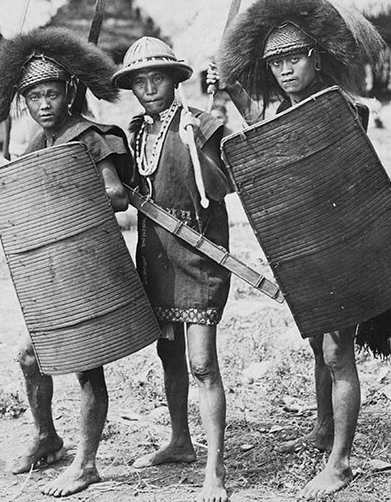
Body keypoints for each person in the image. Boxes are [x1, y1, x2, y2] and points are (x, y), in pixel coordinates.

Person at [209, 0, 391, 499]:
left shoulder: (344, 109)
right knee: (319, 343)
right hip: (306, 248)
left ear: (315, 57)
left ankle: (340, 462)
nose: (285, 70)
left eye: (294, 58)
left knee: (338, 352)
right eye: (275, 62)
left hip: (343, 246)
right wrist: (226, 87)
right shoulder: (276, 110)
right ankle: (323, 431)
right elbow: (260, 131)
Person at [0, 27, 132, 498]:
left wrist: (69, 197)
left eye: (51, 93)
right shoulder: (33, 143)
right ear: (23, 102)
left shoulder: (88, 136)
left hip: (87, 265)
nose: (43, 104)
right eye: (33, 96)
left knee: (87, 367)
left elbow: (116, 195)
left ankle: (86, 464)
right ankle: (47, 436)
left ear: (69, 93)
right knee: (30, 357)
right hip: (50, 272)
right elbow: (19, 194)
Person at [112, 36, 232, 502]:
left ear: (175, 79)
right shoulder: (136, 131)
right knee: (169, 356)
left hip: (199, 257)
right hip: (155, 255)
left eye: (157, 78)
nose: (148, 88)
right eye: (139, 82)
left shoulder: (201, 126)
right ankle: (180, 441)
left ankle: (215, 470)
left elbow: (231, 177)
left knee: (201, 362)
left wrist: (226, 105)